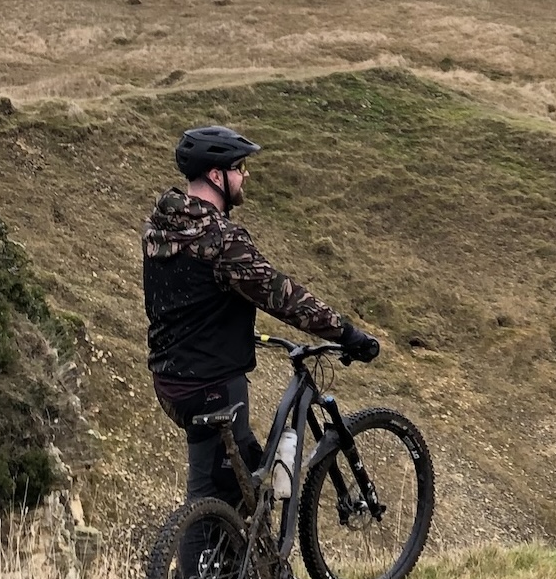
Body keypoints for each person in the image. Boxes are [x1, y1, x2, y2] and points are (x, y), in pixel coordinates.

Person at [142, 124, 381, 521]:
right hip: (212, 384)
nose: (246, 175)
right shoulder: (221, 240)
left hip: (170, 378)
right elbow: (282, 296)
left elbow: (185, 297)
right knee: (209, 496)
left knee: (242, 473)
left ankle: (244, 571)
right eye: (240, 167)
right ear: (216, 176)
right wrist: (347, 333)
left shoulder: (161, 226)